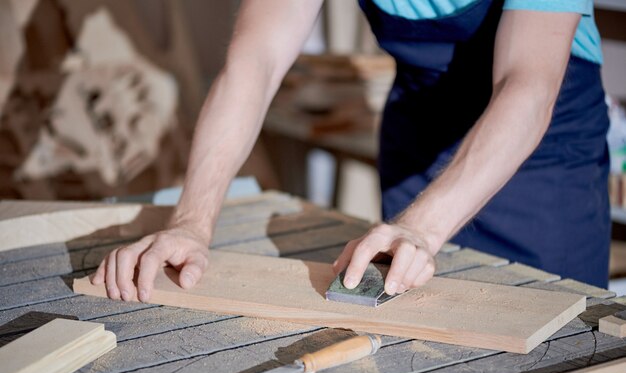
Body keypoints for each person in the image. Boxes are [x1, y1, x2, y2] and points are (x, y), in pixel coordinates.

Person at [92, 0, 610, 303]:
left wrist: (421, 227)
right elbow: (256, 61)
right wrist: (191, 222)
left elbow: (529, 86)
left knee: (547, 328)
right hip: (420, 133)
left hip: (544, 149)